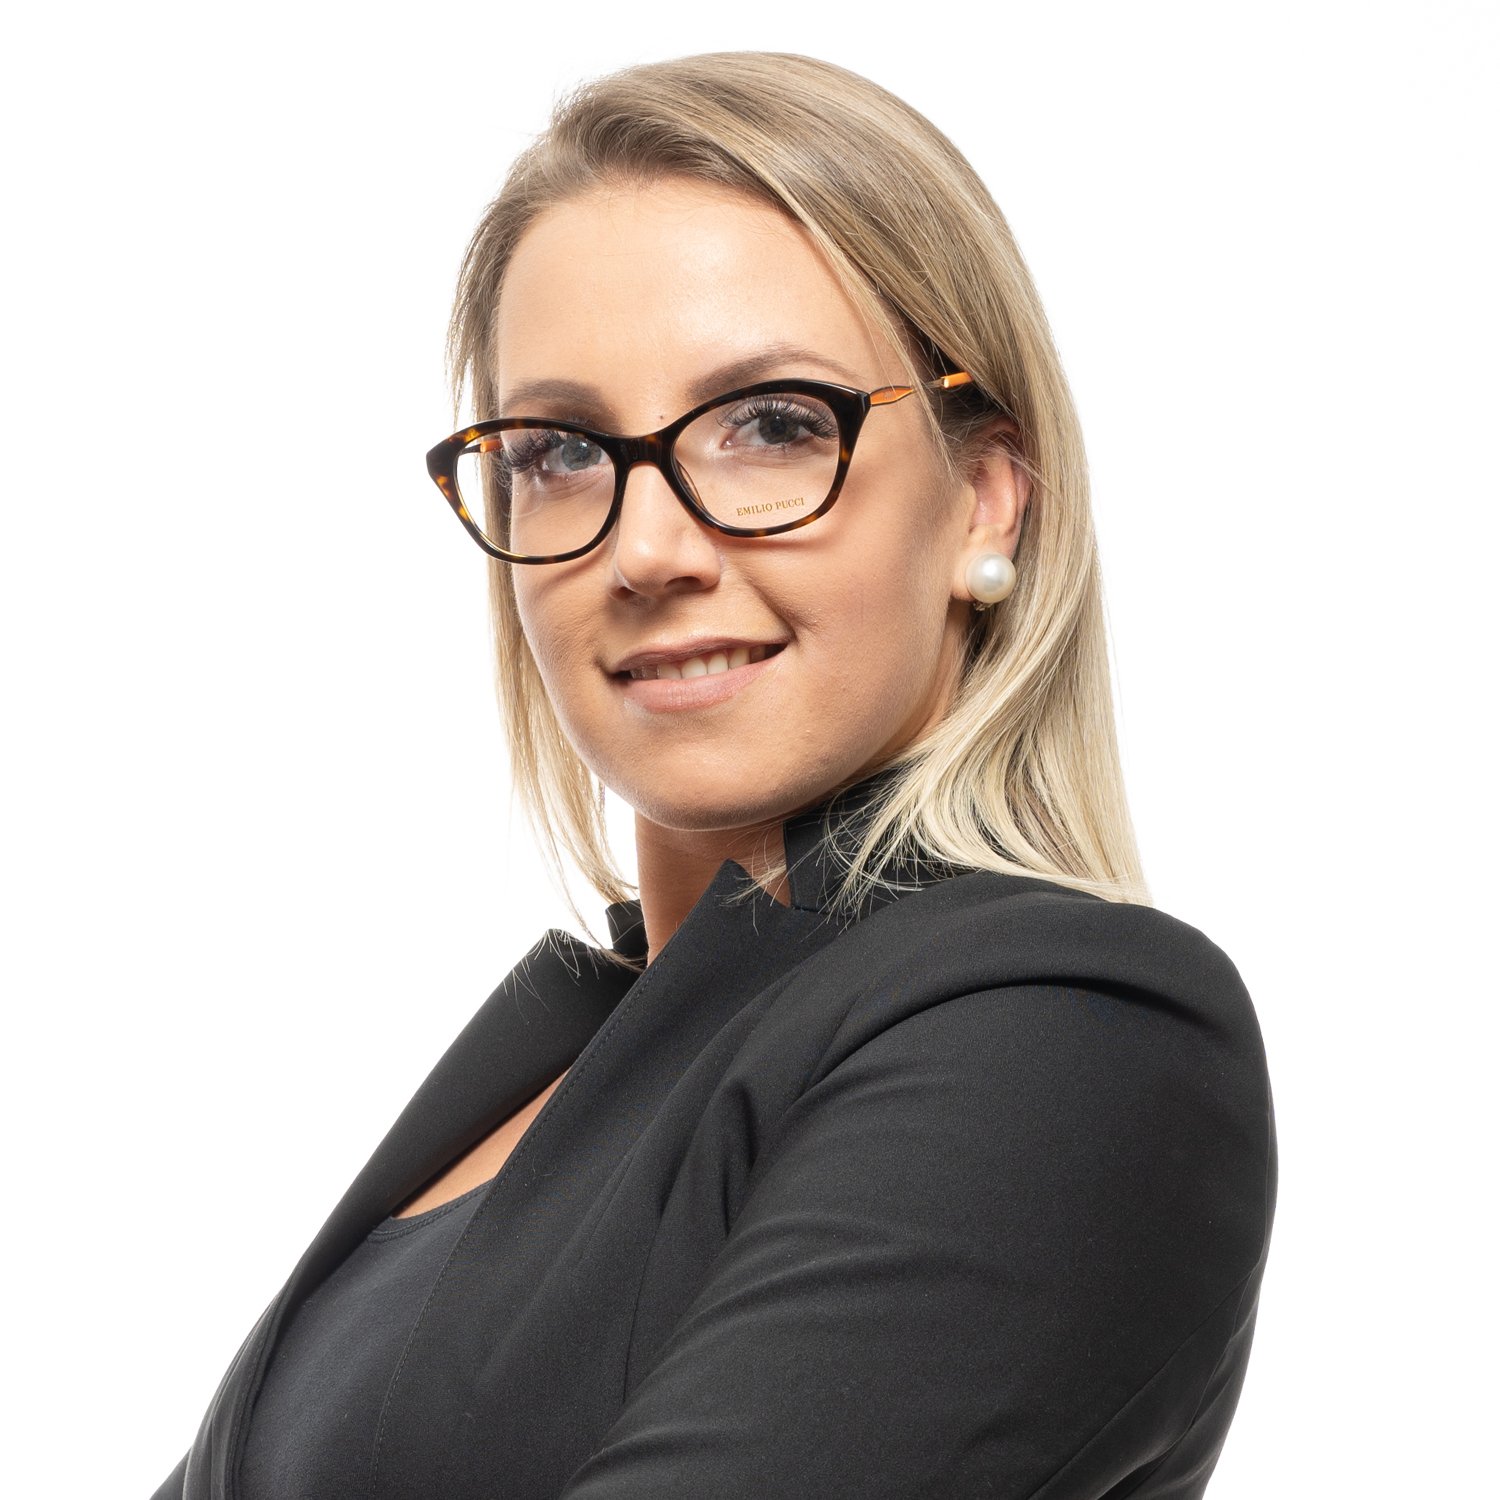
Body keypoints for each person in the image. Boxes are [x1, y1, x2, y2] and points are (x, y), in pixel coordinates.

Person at [153, 51, 1276, 1500]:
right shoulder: (561, 1061)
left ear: (985, 503)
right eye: (558, 450)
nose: (646, 551)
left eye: (774, 425)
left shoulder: (1068, 1033)